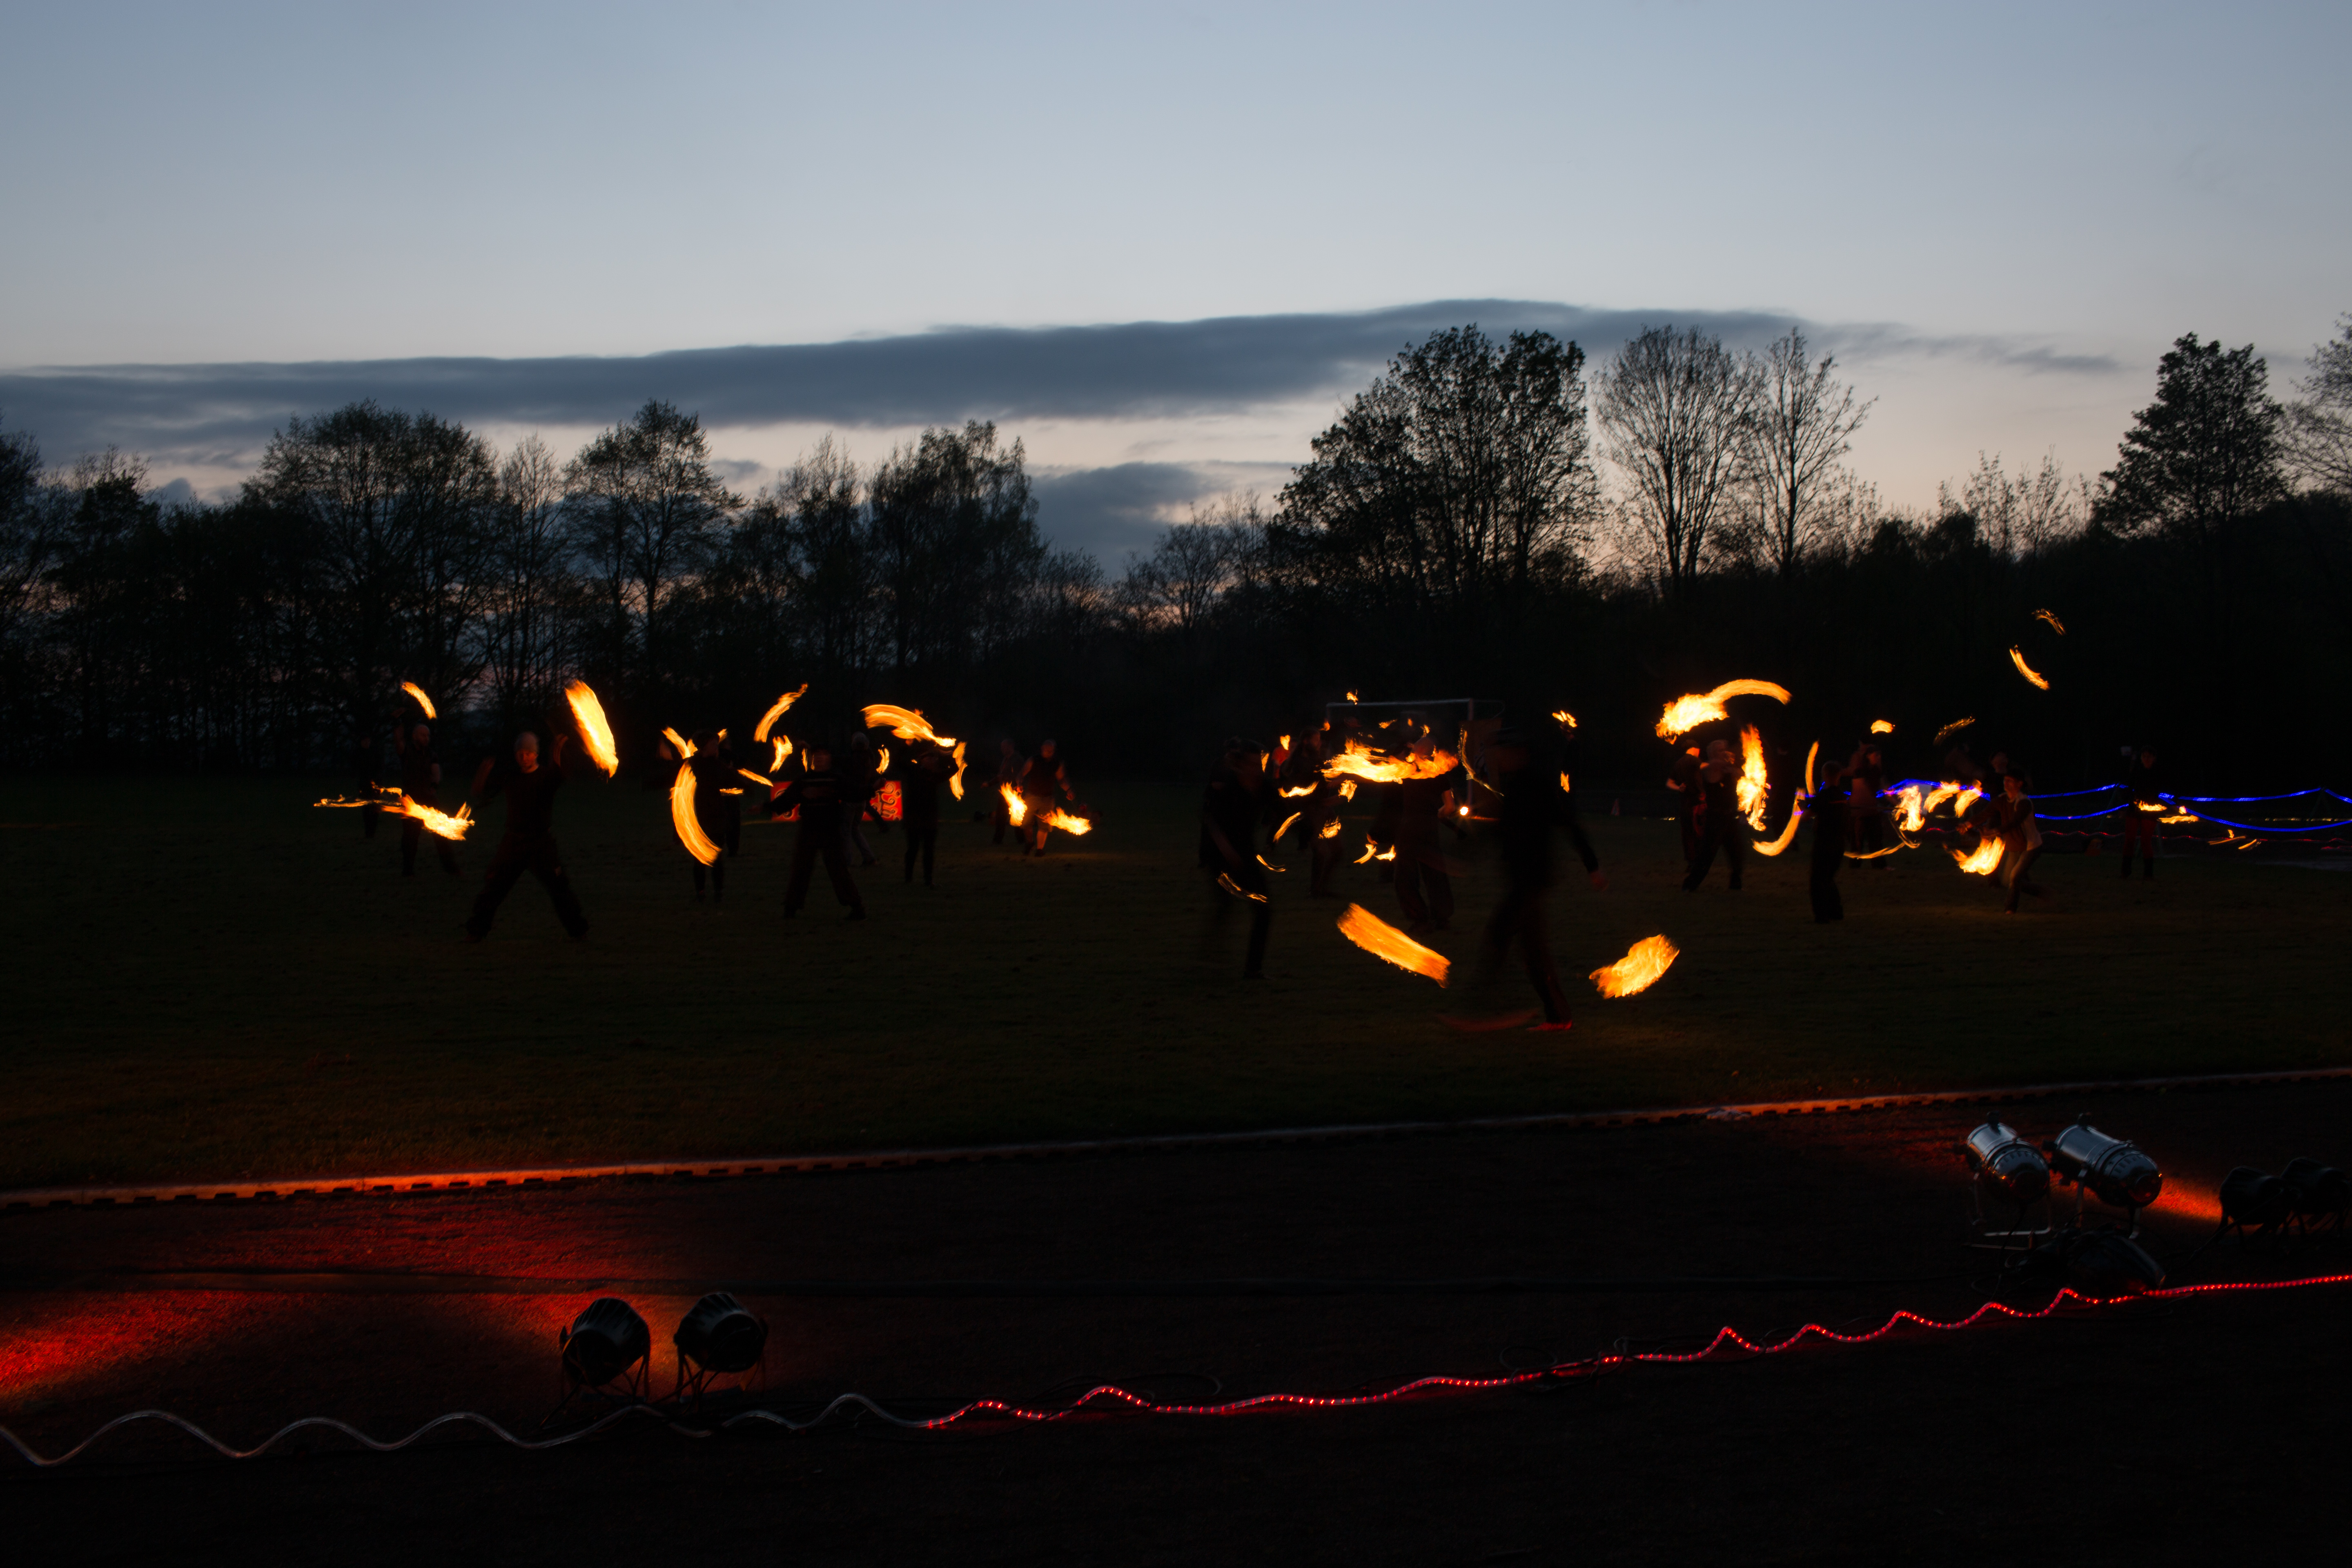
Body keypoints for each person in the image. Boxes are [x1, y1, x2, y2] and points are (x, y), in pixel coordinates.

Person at [1476, 726, 1605, 1031]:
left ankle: (1488, 1011)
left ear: (1517, 753)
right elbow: (1504, 829)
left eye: (1501, 752)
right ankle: (1558, 1017)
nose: (1498, 758)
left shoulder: (1535, 785)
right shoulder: (1513, 784)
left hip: (1531, 878)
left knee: (1499, 938)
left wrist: (1593, 866)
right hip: (1523, 877)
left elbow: (1569, 825)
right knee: (1533, 952)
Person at [463, 730, 590, 942]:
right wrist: (482, 773)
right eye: (520, 753)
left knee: (559, 888)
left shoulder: (546, 777)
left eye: (529, 753)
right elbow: (479, 793)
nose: (524, 757)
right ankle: (476, 931)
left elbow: (561, 774)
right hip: (514, 842)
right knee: (494, 887)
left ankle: (579, 931)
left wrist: (557, 751)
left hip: (541, 843)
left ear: (536, 754)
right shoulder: (511, 778)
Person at [767, 742, 866, 921]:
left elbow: (854, 792)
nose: (819, 758)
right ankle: (791, 909)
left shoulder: (836, 779)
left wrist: (873, 788)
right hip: (809, 828)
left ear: (829, 758)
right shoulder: (804, 781)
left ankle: (857, 907)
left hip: (830, 829)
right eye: (817, 755)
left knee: (838, 870)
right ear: (812, 759)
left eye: (823, 754)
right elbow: (788, 800)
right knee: (801, 869)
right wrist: (765, 807)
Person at [1200, 738, 1272, 978]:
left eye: (1259, 764)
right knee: (1225, 907)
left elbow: (1281, 807)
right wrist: (1227, 852)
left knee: (1264, 910)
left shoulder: (1263, 787)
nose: (1257, 769)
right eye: (1251, 764)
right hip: (1221, 859)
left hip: (1246, 856)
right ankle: (1209, 957)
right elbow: (1211, 822)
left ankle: (1253, 970)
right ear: (1240, 766)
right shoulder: (1230, 789)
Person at [1393, 734, 1460, 933]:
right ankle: (1442, 919)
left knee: (1405, 875)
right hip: (1430, 827)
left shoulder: (1407, 770)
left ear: (1417, 752)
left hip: (1409, 827)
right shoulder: (1440, 773)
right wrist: (1437, 815)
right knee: (1435, 873)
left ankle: (1420, 919)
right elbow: (1450, 807)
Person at [394, 722, 461, 877]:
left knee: (441, 833)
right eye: (423, 735)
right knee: (410, 837)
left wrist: (435, 785)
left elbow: (436, 771)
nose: (426, 738)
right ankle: (408, 871)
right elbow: (398, 743)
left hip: (428, 798)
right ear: (414, 736)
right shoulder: (407, 751)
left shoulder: (431, 754)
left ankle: (451, 868)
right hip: (411, 800)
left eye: (428, 736)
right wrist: (397, 724)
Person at [1683, 737, 1746, 893]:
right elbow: (1736, 771)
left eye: (1724, 749)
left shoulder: (1726, 767)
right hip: (1716, 819)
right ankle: (1690, 884)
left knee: (1737, 852)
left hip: (1729, 817)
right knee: (1707, 855)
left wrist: (1733, 768)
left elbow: (1741, 773)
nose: (1724, 752)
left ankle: (1736, 885)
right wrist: (1732, 766)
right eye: (1720, 750)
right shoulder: (1713, 766)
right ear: (1712, 753)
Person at [894, 739, 953, 886]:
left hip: (930, 819)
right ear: (922, 760)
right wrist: (906, 745)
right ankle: (908, 878)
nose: (933, 760)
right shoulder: (913, 771)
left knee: (929, 851)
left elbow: (954, 769)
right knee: (913, 849)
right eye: (930, 758)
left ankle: (928, 880)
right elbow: (897, 761)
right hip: (914, 818)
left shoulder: (936, 775)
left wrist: (945, 753)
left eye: (935, 758)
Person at [686, 730, 734, 902]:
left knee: (717, 856)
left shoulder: (718, 764)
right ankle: (701, 892)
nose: (717, 747)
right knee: (700, 857)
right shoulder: (693, 764)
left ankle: (718, 892)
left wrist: (746, 784)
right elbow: (672, 775)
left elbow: (731, 778)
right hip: (701, 815)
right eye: (714, 744)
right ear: (705, 746)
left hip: (717, 815)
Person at [1993, 770, 2049, 914]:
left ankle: (2010, 909)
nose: (2006, 783)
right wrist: (1967, 824)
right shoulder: (2003, 799)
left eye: (2010, 781)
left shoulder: (2024, 803)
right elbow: (1987, 812)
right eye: (2005, 780)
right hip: (2016, 846)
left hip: (2031, 847)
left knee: (2014, 877)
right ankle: (2041, 892)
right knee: (2008, 880)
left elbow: (2014, 823)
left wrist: (1995, 831)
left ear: (2019, 784)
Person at [1022, 738, 1074, 856]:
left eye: (1051, 751)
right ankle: (1030, 843)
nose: (1048, 753)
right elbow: (1022, 773)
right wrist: (1019, 783)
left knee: (1044, 825)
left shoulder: (1057, 763)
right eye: (1046, 750)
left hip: (1047, 798)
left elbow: (1062, 779)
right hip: (1032, 796)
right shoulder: (1034, 760)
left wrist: (1069, 790)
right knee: (1027, 823)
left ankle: (1040, 850)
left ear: (1054, 751)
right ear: (1042, 749)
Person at [2118, 746, 2160, 879]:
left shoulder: (2158, 773)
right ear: (2141, 758)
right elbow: (2129, 788)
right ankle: (2125, 871)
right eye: (2144, 757)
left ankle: (2148, 874)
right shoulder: (2136, 771)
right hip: (2134, 809)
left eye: (2149, 757)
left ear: (2154, 758)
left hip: (2150, 811)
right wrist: (2126, 805)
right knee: (2129, 840)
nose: (2147, 759)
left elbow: (2161, 792)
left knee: (2146, 841)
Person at [1666, 744, 1702, 873]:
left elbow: (1669, 783)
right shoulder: (1694, 760)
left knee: (1687, 835)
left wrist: (1679, 788)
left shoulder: (1678, 763)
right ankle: (1699, 863)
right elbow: (1705, 767)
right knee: (1699, 834)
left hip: (1685, 805)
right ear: (1695, 749)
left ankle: (1691, 863)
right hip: (1697, 805)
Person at [351, 731, 385, 839]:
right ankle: (368, 832)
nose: (367, 743)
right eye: (365, 741)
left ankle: (372, 831)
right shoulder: (358, 753)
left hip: (375, 784)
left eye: (368, 741)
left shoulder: (375, 753)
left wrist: (377, 780)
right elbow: (355, 768)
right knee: (366, 808)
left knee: (375, 808)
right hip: (364, 785)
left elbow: (380, 767)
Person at [991, 739, 1025, 845]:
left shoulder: (1017, 760)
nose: (1002, 749)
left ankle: (1021, 840)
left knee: (1016, 816)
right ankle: (998, 840)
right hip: (1005, 793)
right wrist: (989, 783)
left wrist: (1018, 786)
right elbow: (1001, 775)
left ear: (1011, 746)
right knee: (1000, 817)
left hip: (1014, 793)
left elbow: (1020, 775)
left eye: (1005, 747)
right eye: (1002, 747)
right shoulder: (1006, 759)